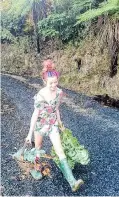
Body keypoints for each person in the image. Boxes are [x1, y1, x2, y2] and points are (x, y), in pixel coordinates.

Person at [25, 59, 84, 192]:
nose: (54, 85)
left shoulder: (59, 92)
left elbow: (56, 108)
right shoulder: (41, 95)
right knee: (38, 148)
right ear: (45, 82)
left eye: (56, 82)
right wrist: (29, 134)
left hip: (52, 124)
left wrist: (60, 122)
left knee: (60, 150)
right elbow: (35, 115)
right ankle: (36, 170)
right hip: (40, 125)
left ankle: (72, 181)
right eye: (51, 83)